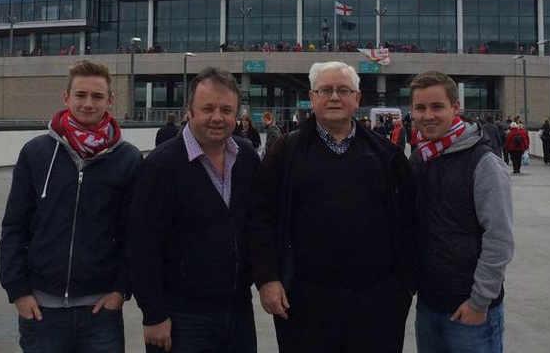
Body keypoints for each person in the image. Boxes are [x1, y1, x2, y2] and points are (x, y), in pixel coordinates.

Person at [248, 61, 413, 353]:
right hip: (304, 302)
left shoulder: (386, 154)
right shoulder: (285, 152)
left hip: (376, 303)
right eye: (325, 90)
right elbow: (261, 218)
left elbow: (408, 219)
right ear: (312, 98)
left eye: (343, 90)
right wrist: (267, 278)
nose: (334, 97)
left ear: (357, 98)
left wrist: (405, 286)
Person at [0, 60, 141, 353]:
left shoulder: (128, 159)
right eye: (80, 95)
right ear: (66, 97)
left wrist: (120, 290)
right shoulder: (36, 153)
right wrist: (18, 292)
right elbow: (14, 226)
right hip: (41, 309)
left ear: (110, 100)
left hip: (101, 312)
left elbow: (135, 234)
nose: (88, 103)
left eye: (97, 96)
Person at [129, 68, 260, 353]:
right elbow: (142, 246)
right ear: (189, 111)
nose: (217, 117)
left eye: (226, 110)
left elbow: (257, 225)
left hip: (237, 310)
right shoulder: (160, 166)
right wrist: (153, 313)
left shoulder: (247, 157)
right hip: (182, 316)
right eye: (208, 108)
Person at [407, 72, 514, 353]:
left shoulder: (484, 162)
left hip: (471, 310)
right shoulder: (420, 158)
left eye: (437, 107)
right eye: (420, 108)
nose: (427, 116)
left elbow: (500, 239)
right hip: (429, 304)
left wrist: (479, 302)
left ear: (456, 107)